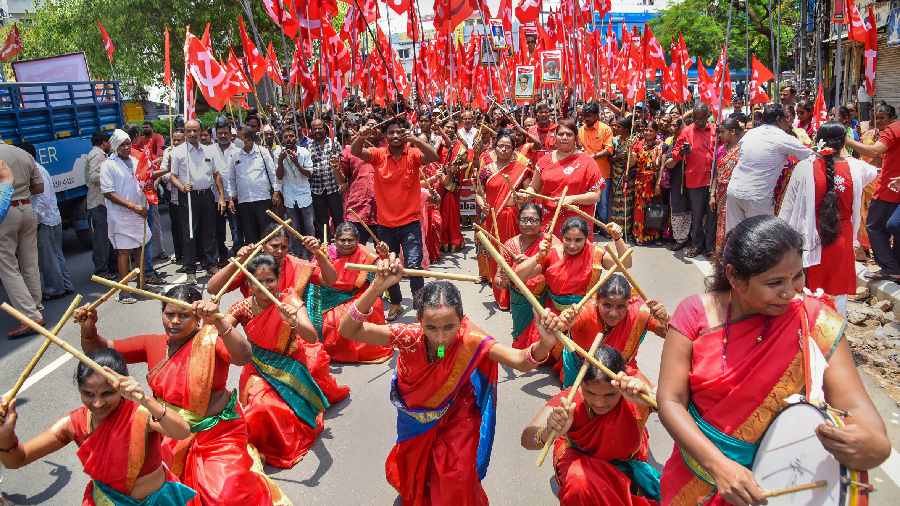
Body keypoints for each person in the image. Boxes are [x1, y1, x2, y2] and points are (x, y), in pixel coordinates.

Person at [657, 215, 890, 505]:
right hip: (694, 483)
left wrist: (874, 444)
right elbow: (670, 401)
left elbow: (856, 406)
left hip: (778, 487)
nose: (790, 291)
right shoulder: (694, 315)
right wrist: (718, 465)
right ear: (734, 277)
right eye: (774, 282)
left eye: (797, 276)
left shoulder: (815, 321)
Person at [337, 258, 562, 505]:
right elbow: (349, 331)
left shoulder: (471, 339)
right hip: (413, 417)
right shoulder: (409, 336)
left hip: (457, 412)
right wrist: (376, 288)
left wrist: (545, 343)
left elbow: (520, 360)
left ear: (462, 320)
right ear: (419, 320)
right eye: (431, 327)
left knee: (456, 474)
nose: (441, 337)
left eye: (449, 327)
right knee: (416, 469)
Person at [74, 285, 290, 505]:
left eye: (183, 315)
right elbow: (99, 352)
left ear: (197, 318)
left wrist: (219, 320)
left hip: (217, 435)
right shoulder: (153, 344)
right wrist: (88, 330)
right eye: (169, 314)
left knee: (226, 496)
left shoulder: (211, 341)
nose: (174, 321)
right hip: (169, 432)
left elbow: (243, 356)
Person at [0, 349, 197, 505]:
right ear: (79, 389)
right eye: (88, 394)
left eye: (107, 393)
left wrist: (145, 399)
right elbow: (17, 460)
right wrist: (6, 436)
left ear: (122, 387)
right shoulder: (72, 424)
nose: (97, 403)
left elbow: (182, 431)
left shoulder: (140, 413)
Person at [223, 255, 330, 468]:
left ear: (279, 280)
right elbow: (220, 329)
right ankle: (253, 446)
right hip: (257, 371)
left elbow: (311, 337)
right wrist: (214, 319)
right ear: (249, 285)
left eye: (270, 280)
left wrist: (294, 321)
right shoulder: (242, 307)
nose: (265, 287)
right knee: (259, 406)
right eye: (258, 282)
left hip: (290, 368)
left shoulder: (290, 302)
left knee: (280, 414)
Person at [520, 346, 660, 505]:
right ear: (580, 384)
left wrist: (649, 399)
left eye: (610, 395)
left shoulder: (633, 390)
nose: (599, 403)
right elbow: (526, 439)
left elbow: (673, 402)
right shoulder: (570, 401)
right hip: (582, 461)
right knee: (578, 484)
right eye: (591, 393)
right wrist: (548, 431)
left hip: (628, 460)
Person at [778, 122, 878, 314]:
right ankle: (835, 328)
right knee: (838, 287)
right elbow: (873, 172)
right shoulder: (857, 168)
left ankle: (811, 325)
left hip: (812, 234)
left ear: (818, 141)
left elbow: (788, 206)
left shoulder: (804, 168)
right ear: (843, 143)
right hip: (842, 235)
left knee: (811, 285)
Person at [350, 116, 441, 321]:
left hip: (410, 223)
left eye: (400, 132)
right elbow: (355, 151)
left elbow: (434, 156)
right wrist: (362, 135)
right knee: (389, 267)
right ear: (385, 136)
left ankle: (419, 306)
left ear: (405, 134)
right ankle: (396, 303)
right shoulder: (378, 155)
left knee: (414, 266)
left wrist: (417, 141)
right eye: (391, 132)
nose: (396, 136)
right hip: (385, 224)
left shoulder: (414, 154)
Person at [516, 217, 630, 363]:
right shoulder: (552, 254)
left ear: (586, 239)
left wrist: (618, 238)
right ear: (562, 237)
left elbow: (625, 264)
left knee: (584, 360)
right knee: (545, 354)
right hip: (556, 317)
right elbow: (518, 276)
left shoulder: (595, 253)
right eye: (567, 239)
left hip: (586, 316)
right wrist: (537, 257)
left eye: (578, 240)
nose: (572, 245)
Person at [558, 273, 668, 386]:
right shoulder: (586, 310)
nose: (613, 314)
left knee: (649, 398)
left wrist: (665, 319)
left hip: (622, 371)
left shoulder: (640, 312)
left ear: (629, 303)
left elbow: (670, 333)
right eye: (607, 305)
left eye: (620, 306)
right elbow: (559, 327)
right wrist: (564, 320)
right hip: (585, 369)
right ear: (597, 300)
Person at [305, 222, 394, 363]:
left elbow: (383, 272)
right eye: (343, 240)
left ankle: (365, 352)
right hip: (329, 296)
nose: (346, 244)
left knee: (374, 305)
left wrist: (384, 256)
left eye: (350, 240)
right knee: (333, 320)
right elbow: (314, 279)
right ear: (335, 239)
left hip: (355, 294)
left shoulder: (366, 254)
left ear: (357, 241)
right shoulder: (325, 252)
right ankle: (336, 351)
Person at [725, 104, 814, 235]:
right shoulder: (782, 137)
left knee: (735, 238)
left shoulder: (750, 133)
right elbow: (810, 156)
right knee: (760, 240)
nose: (788, 122)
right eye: (785, 118)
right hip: (756, 197)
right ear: (779, 119)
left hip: (734, 191)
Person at [475, 129, 532, 308]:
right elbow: (478, 193)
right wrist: (481, 203)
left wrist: (522, 197)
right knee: (495, 257)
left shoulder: (522, 170)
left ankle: (514, 296)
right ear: (495, 147)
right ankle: (501, 297)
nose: (504, 150)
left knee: (512, 255)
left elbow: (528, 192)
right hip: (492, 218)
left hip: (513, 217)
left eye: (508, 147)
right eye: (501, 146)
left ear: (514, 149)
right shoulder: (485, 171)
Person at [207, 222, 336, 299]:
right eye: (274, 246)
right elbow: (212, 289)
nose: (279, 251)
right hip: (259, 331)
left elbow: (330, 281)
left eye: (284, 247)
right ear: (262, 246)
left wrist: (318, 253)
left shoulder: (298, 265)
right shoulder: (249, 266)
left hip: (291, 330)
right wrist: (238, 261)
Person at [846, 104, 900, 282]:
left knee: (876, 226)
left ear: (891, 117)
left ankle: (890, 267)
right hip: (882, 182)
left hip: (887, 188)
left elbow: (874, 151)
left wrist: (847, 141)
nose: (880, 121)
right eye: (877, 117)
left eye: (883, 117)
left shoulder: (892, 130)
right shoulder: (875, 131)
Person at [495, 203, 560, 349]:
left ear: (541, 222)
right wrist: (508, 273)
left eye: (533, 220)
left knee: (545, 338)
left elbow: (562, 268)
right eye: (524, 220)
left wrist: (537, 263)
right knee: (522, 344)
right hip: (520, 299)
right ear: (518, 221)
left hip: (545, 299)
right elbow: (498, 281)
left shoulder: (549, 241)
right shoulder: (510, 245)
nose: (528, 224)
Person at [525, 119, 603, 238]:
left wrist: (571, 199)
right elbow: (533, 188)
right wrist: (526, 194)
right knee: (551, 254)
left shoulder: (587, 162)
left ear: (575, 138)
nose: (564, 137)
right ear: (555, 137)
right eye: (561, 134)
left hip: (577, 225)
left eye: (569, 134)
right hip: (550, 221)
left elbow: (595, 196)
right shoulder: (544, 161)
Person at [170, 120, 228, 280]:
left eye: (195, 131)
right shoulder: (178, 152)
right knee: (189, 232)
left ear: (200, 130)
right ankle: (190, 270)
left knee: (209, 231)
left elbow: (216, 175)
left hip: (207, 195)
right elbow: (173, 176)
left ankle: (210, 264)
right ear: (185, 132)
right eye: (189, 131)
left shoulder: (209, 151)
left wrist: (222, 197)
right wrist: (181, 186)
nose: (192, 134)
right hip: (188, 196)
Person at [100, 129, 152, 304]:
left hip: (139, 213)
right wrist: (132, 206)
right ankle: (124, 291)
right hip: (121, 215)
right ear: (115, 146)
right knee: (124, 252)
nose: (126, 147)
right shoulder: (108, 165)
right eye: (122, 144)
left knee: (140, 248)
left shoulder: (136, 161)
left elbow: (145, 180)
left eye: (128, 143)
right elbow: (108, 192)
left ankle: (141, 286)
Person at [0, 143, 44, 337]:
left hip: (5, 212)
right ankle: (36, 307)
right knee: (30, 263)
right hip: (27, 208)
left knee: (7, 267)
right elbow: (39, 186)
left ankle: (29, 315)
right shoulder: (23, 154)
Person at [670, 105, 717, 258]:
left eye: (701, 118)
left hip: (712, 180)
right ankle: (697, 244)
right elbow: (675, 153)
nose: (698, 121)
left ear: (707, 116)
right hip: (695, 180)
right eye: (695, 118)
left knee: (711, 216)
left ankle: (709, 246)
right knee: (697, 215)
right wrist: (682, 152)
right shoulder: (687, 131)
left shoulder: (715, 129)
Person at [29, 150, 74, 300]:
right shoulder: (41, 169)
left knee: (49, 257)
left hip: (45, 220)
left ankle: (55, 289)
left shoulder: (35, 172)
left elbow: (41, 201)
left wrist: (36, 221)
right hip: (54, 218)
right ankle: (66, 285)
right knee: (57, 254)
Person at [226, 126, 279, 246]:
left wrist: (276, 192)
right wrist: (231, 198)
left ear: (249, 138)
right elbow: (232, 178)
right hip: (244, 201)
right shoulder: (235, 156)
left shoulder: (262, 152)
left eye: (241, 138)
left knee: (266, 232)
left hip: (263, 199)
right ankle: (254, 261)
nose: (238, 141)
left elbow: (272, 173)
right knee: (250, 234)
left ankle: (269, 259)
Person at [275, 127, 316, 258]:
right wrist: (280, 161)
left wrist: (297, 164)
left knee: (309, 227)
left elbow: (309, 173)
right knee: (294, 229)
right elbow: (279, 176)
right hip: (289, 197)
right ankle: (297, 256)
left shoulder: (304, 152)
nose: (289, 139)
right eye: (286, 137)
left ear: (296, 138)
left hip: (304, 196)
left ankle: (312, 254)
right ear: (282, 139)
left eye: (291, 136)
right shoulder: (278, 154)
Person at [339, 116, 379, 245]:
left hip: (382, 211)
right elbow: (341, 180)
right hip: (358, 209)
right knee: (354, 249)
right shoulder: (349, 151)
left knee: (385, 251)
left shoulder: (387, 149)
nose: (372, 129)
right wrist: (335, 168)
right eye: (369, 125)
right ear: (362, 128)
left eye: (375, 126)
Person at [711, 117, 744, 254]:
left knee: (733, 228)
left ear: (732, 132)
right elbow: (716, 174)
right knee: (721, 226)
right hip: (720, 195)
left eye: (722, 132)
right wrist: (712, 194)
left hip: (734, 195)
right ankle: (721, 258)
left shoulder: (742, 150)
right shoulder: (720, 150)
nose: (719, 135)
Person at [306, 119, 344, 240]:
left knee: (338, 218)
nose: (317, 131)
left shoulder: (334, 143)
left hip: (333, 188)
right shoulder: (308, 147)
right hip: (317, 190)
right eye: (314, 129)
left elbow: (342, 164)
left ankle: (341, 242)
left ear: (324, 129)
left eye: (319, 128)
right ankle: (325, 245)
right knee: (321, 220)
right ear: (311, 131)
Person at [85, 131, 116, 277]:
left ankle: (108, 268)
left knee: (107, 238)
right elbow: (93, 176)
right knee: (101, 240)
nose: (110, 145)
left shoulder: (99, 154)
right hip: (98, 203)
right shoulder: (97, 155)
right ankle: (101, 271)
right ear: (104, 142)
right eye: (109, 142)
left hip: (102, 203)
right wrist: (110, 174)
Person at [578, 102, 614, 224]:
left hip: (602, 173)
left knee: (602, 203)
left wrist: (593, 156)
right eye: (584, 115)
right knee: (587, 201)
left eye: (589, 115)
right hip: (585, 174)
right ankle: (589, 226)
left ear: (596, 115)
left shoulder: (605, 129)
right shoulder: (580, 130)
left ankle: (604, 227)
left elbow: (609, 150)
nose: (586, 118)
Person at [630, 121, 664, 244]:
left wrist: (658, 184)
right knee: (640, 209)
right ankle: (639, 235)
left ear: (656, 132)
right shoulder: (637, 145)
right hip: (640, 182)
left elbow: (661, 167)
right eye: (646, 130)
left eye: (651, 130)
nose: (647, 132)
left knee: (653, 209)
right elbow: (632, 163)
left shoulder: (660, 146)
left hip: (654, 182)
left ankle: (654, 236)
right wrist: (630, 150)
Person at [214, 122, 242, 260]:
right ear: (216, 134)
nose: (223, 136)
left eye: (226, 133)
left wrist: (231, 197)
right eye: (220, 133)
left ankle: (238, 255)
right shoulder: (210, 150)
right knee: (218, 229)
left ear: (231, 135)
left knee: (236, 229)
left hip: (234, 198)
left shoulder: (237, 151)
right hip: (216, 198)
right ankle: (222, 256)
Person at [610, 116, 639, 239]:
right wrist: (619, 156)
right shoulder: (614, 140)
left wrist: (630, 154)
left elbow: (634, 161)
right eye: (615, 126)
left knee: (625, 202)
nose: (615, 128)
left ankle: (625, 230)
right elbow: (610, 158)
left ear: (627, 129)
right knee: (616, 202)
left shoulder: (633, 141)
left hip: (627, 176)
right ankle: (615, 229)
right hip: (615, 175)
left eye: (619, 127)